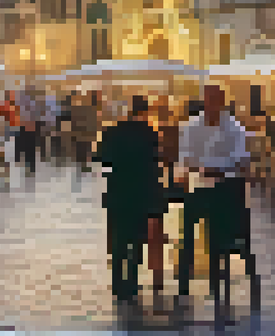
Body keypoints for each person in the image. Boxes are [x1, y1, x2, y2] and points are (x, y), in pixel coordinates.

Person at [176, 84, 252, 301]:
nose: (212, 105)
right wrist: (200, 168)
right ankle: (185, 278)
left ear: (222, 102)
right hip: (198, 187)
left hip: (224, 189)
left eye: (215, 101)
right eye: (208, 100)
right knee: (187, 232)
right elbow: (185, 157)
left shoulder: (234, 128)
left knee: (217, 227)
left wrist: (221, 168)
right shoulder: (192, 127)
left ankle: (216, 274)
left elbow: (241, 158)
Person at [96, 95, 165, 302]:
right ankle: (132, 283)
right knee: (136, 239)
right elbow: (156, 160)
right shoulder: (150, 133)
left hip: (118, 191)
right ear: (145, 112)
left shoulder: (112, 132)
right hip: (142, 192)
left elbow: (101, 158)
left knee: (119, 238)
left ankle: (118, 284)